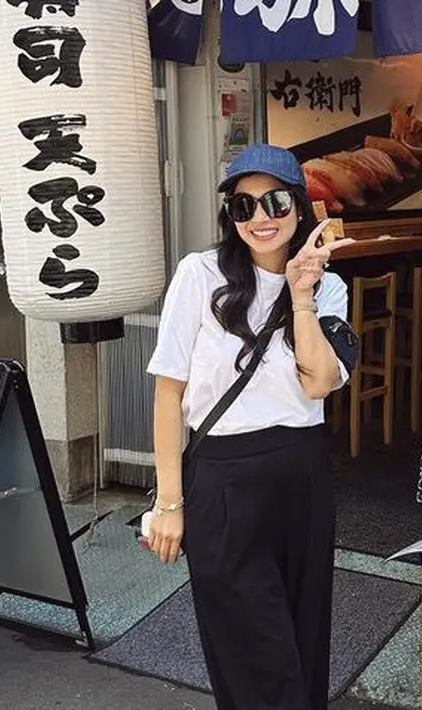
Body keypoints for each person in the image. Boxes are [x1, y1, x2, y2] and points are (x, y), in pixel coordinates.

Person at [145, 143, 355, 710]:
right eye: (244, 206)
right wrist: (169, 503)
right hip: (222, 480)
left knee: (302, 644)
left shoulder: (328, 286)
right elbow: (169, 393)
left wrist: (301, 294)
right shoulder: (199, 274)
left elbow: (319, 383)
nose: (261, 217)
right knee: (256, 658)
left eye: (275, 202)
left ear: (299, 208)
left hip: (301, 475)